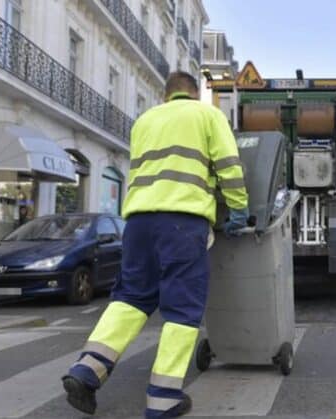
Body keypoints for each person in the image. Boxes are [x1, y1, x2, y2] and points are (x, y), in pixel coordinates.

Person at [61, 72, 249, 419]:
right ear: (195, 93)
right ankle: (164, 397)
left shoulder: (145, 121)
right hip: (183, 221)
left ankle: (87, 370)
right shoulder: (208, 115)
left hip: (138, 221)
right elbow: (228, 165)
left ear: (166, 95)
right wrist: (238, 208)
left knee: (131, 297)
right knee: (182, 307)